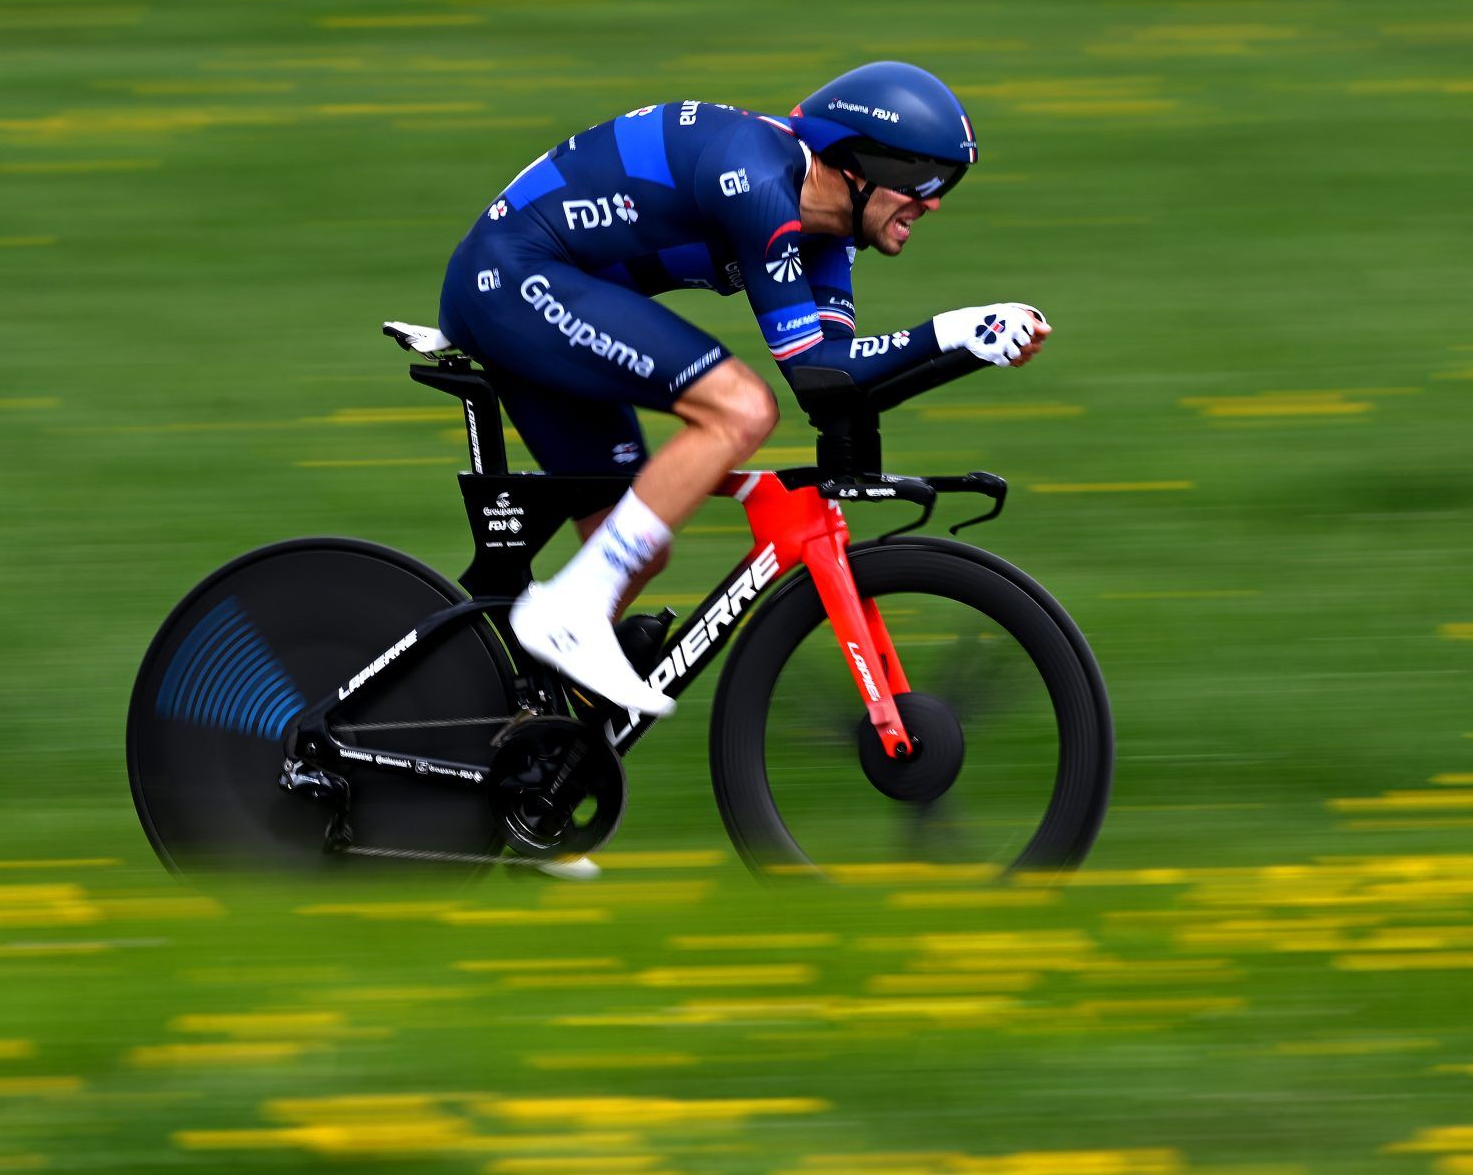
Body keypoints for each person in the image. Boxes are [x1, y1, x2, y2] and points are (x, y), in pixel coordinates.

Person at [435, 61, 1050, 717]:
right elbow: (813, 366)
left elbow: (833, 383)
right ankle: (568, 611)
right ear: (859, 166)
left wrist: (969, 348)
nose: (933, 202)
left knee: (638, 544)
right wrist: (950, 330)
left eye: (944, 184)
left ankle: (533, 738)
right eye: (922, 180)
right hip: (511, 278)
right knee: (741, 408)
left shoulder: (828, 237)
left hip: (548, 291)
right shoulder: (756, 179)